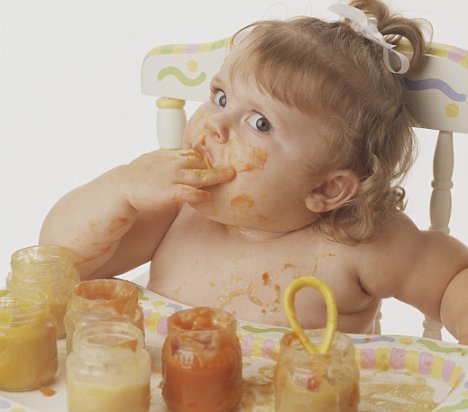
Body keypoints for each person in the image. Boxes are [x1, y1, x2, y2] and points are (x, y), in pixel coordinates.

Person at [39, 0, 468, 344]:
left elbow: (452, 280)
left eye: (260, 123)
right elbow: (60, 263)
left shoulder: (359, 243)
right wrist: (121, 186)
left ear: (327, 187)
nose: (214, 125)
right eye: (221, 97)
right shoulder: (179, 210)